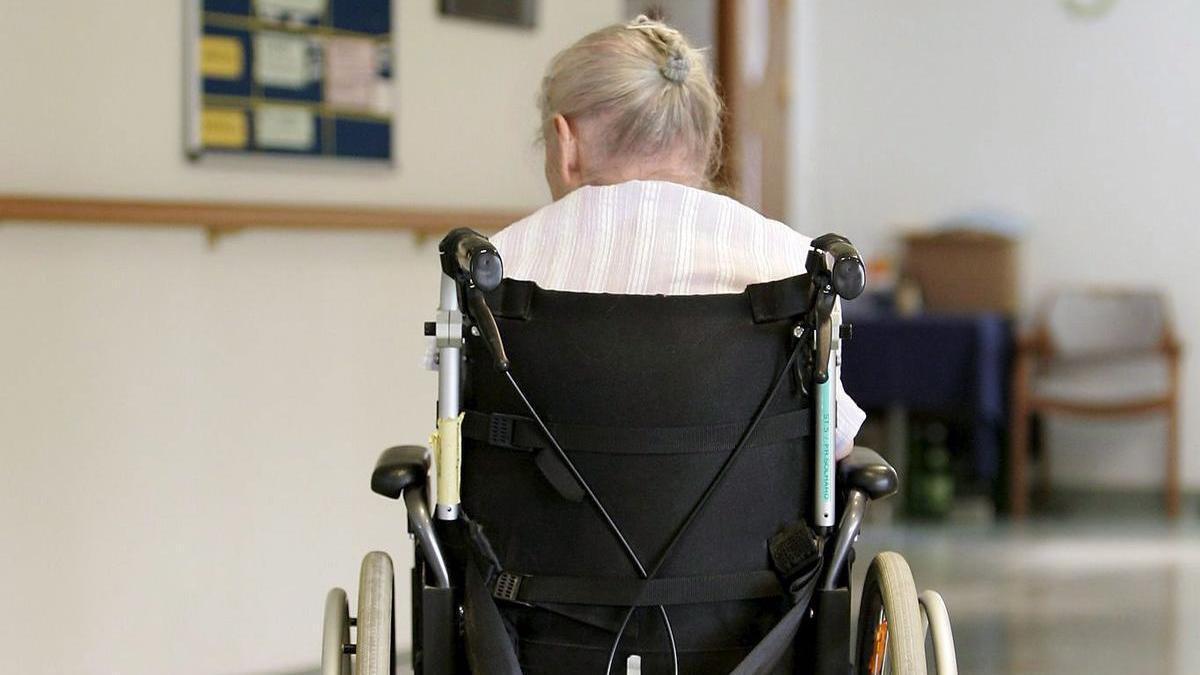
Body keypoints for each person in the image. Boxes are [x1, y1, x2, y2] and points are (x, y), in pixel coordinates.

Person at [491, 15, 864, 455]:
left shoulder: (495, 267)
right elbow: (835, 446)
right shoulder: (795, 265)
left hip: (531, 526)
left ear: (566, 144)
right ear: (706, 146)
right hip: (751, 526)